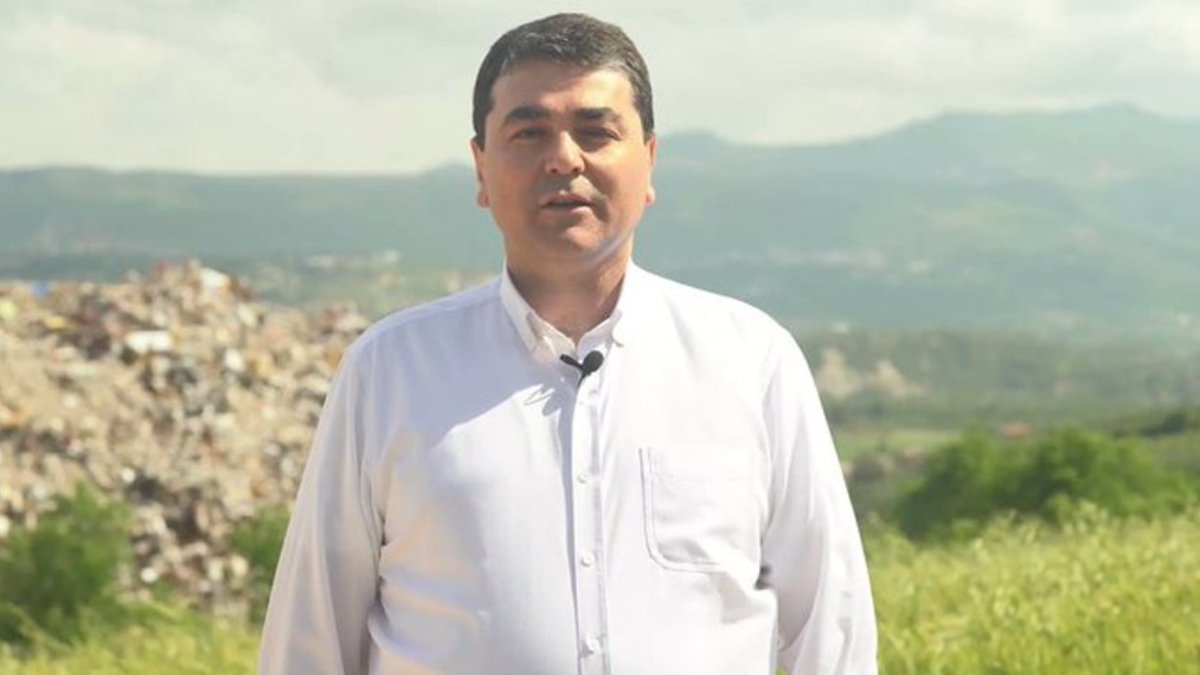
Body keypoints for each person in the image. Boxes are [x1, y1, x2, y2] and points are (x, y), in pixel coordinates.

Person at [260, 12, 876, 675]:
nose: (563, 158)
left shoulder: (751, 362)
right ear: (481, 168)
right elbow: (311, 638)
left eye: (595, 131)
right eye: (529, 133)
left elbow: (830, 628)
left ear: (649, 161)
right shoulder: (390, 372)